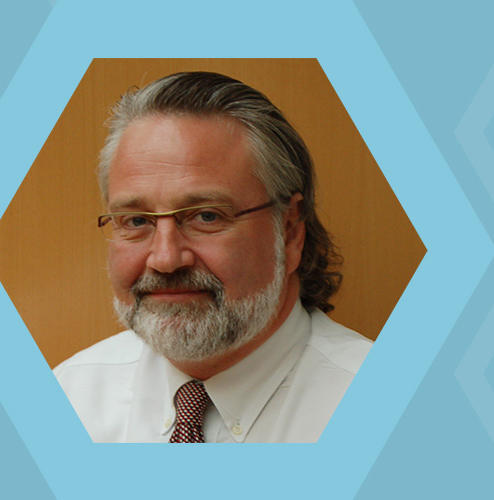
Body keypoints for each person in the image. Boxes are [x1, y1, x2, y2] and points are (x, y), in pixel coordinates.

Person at [53, 71, 372, 443]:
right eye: (137, 221)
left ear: (289, 231)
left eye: (207, 216)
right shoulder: (70, 400)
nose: (166, 258)